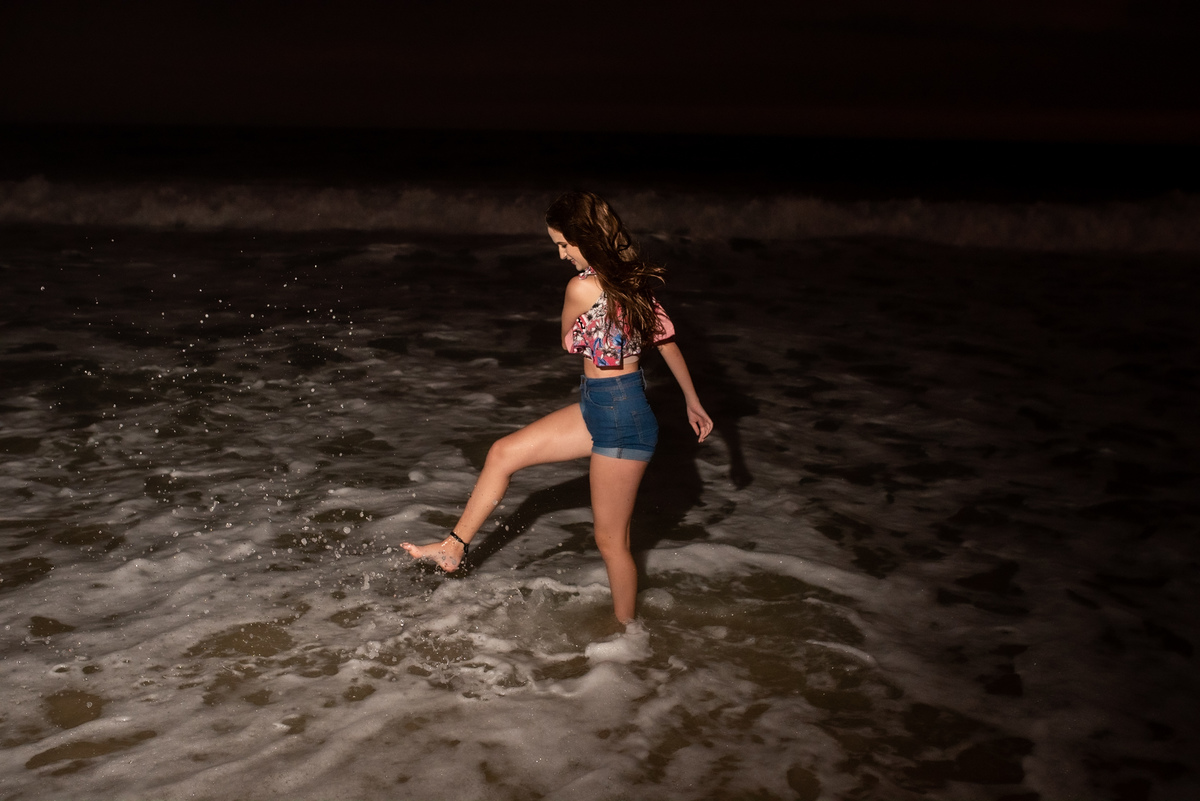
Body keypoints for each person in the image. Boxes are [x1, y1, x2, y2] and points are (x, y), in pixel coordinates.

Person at [401, 191, 713, 624]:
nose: (562, 254)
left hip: (621, 418)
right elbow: (666, 342)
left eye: (564, 244)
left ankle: (628, 635)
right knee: (503, 453)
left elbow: (568, 341)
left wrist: (686, 396)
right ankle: (453, 547)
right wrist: (692, 400)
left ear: (587, 237)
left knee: (612, 542)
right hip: (601, 405)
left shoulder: (581, 287)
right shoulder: (632, 282)